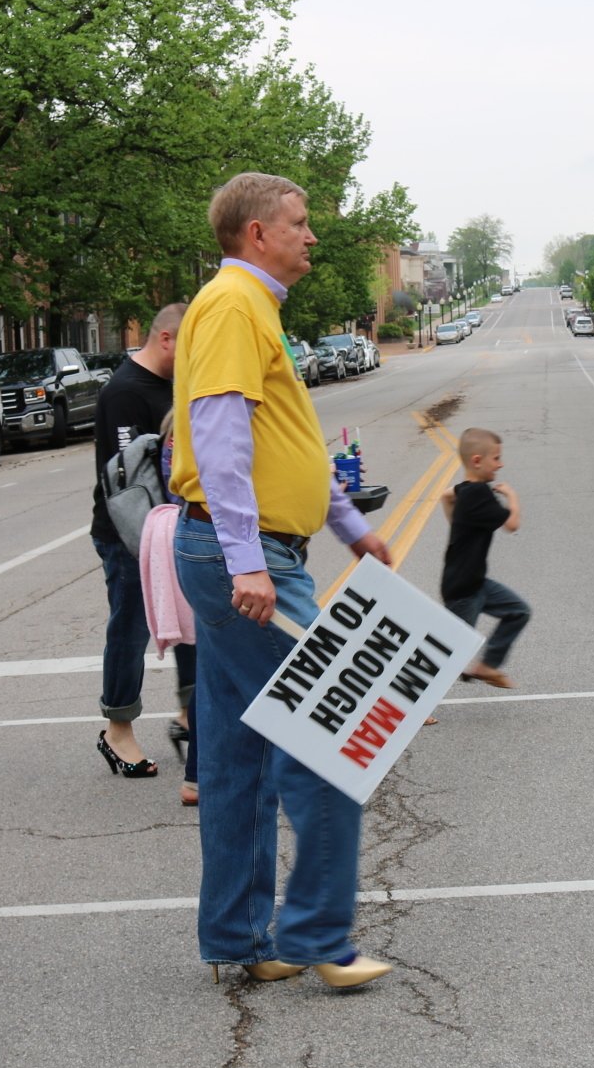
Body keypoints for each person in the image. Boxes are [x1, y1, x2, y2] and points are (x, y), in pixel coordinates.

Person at [171, 172, 394, 989]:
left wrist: (352, 528)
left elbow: (291, 440)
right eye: (299, 224)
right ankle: (318, 938)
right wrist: (248, 563)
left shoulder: (255, 309)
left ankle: (240, 936)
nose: (311, 236)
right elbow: (221, 439)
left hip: (248, 552)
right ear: (257, 233)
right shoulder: (234, 305)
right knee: (335, 731)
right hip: (245, 558)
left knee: (238, 757)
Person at [89, 303, 191, 781]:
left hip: (175, 528)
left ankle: (193, 716)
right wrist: (148, 544)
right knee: (130, 629)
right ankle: (118, 727)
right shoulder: (125, 393)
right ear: (167, 339)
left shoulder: (172, 385)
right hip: (132, 535)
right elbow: (129, 482)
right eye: (189, 344)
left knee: (193, 629)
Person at [439, 428, 529, 690]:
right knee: (446, 653)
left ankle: (488, 666)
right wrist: (512, 496)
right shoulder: (480, 494)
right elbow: (512, 524)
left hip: (473, 581)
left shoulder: (465, 489)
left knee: (518, 610)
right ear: (477, 461)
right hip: (464, 590)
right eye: (496, 459)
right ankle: (407, 704)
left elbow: (446, 496)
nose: (501, 464)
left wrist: (457, 526)